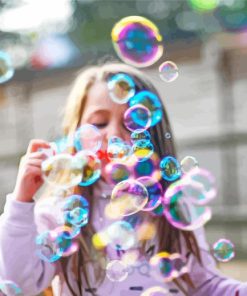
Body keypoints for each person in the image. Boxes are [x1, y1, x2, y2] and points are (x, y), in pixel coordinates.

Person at [0, 63, 246, 296]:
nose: (115, 135)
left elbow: (207, 285)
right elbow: (20, 282)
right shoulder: (59, 212)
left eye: (133, 123)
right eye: (99, 123)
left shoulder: (174, 207)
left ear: (154, 134)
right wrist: (21, 202)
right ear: (75, 134)